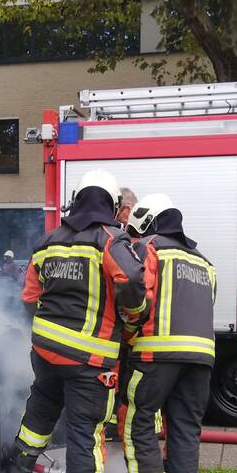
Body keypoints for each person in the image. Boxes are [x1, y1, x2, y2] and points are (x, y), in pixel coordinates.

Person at [10, 168, 147, 473]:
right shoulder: (110, 240)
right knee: (85, 434)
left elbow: (27, 298)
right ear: (109, 202)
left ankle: (20, 459)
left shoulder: (47, 242)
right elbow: (132, 281)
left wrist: (42, 333)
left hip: (46, 351)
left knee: (43, 402)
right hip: (90, 361)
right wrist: (133, 318)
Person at [113, 194, 216, 473]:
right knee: (185, 427)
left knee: (136, 419)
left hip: (156, 353)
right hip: (201, 359)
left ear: (146, 219)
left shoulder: (149, 248)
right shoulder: (204, 261)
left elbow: (136, 292)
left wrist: (128, 330)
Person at [106, 187, 139, 442]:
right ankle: (117, 430)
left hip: (121, 330)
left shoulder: (122, 240)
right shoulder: (119, 239)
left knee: (120, 384)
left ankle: (116, 430)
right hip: (123, 331)